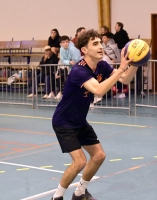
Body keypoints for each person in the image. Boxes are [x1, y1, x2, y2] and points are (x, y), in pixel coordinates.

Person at [51, 29, 137, 200]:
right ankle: (57, 197)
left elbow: (125, 80)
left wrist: (135, 63)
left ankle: (80, 192)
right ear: (84, 50)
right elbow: (98, 90)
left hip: (80, 121)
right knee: (80, 162)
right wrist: (120, 69)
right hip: (64, 122)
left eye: (100, 43)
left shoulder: (102, 66)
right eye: (95, 44)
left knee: (99, 156)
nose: (100, 47)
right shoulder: (79, 71)